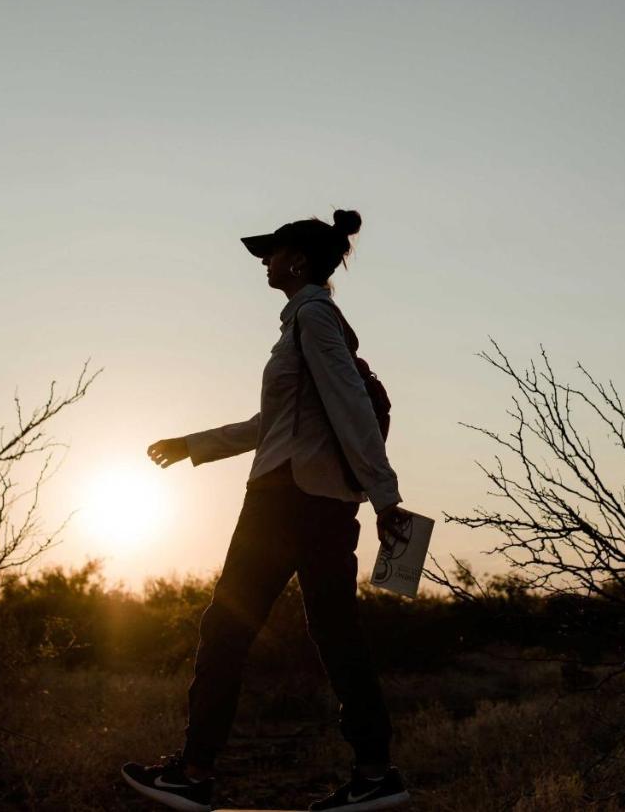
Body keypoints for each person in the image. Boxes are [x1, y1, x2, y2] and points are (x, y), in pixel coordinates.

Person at [121, 209, 412, 812]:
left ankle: (194, 774)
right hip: (323, 504)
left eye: (272, 252)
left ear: (298, 261)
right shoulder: (308, 324)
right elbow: (271, 424)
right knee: (335, 634)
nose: (264, 261)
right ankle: (374, 773)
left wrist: (387, 496)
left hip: (286, 501)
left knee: (225, 629)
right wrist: (193, 445)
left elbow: (351, 403)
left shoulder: (312, 316)